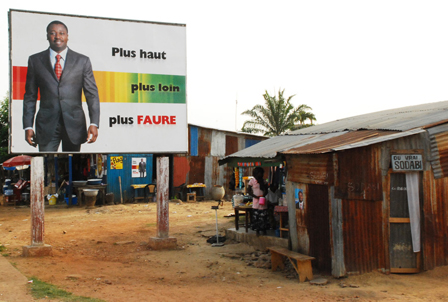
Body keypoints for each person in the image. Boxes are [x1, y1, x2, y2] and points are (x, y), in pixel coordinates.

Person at [23, 20, 100, 152]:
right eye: (53, 33)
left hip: (74, 124)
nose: (57, 37)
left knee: (73, 167)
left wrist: (94, 123)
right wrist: (28, 126)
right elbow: (30, 96)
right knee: (47, 165)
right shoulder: (35, 60)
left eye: (61, 33)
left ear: (67, 36)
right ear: (47, 36)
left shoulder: (82, 61)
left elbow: (91, 94)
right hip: (46, 125)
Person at [248, 167, 268, 236]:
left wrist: (263, 195)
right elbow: (248, 190)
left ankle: (264, 230)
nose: (261, 174)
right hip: (255, 201)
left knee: (263, 216)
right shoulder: (252, 181)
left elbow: (266, 190)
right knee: (256, 216)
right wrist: (255, 196)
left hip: (262, 201)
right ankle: (257, 230)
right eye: (260, 173)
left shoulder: (264, 181)